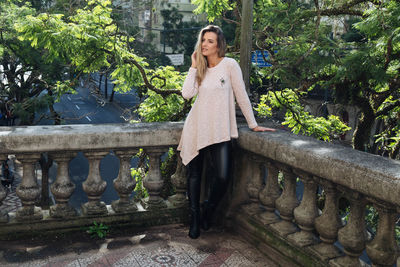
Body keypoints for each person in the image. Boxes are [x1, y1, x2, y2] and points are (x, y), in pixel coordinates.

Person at [177, 25, 275, 239]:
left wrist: (252, 124)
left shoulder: (230, 65)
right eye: (203, 40)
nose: (205, 44)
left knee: (222, 176)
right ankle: (194, 218)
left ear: (219, 44)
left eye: (210, 41)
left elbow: (241, 95)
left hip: (220, 129)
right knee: (194, 175)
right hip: (196, 127)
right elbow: (187, 95)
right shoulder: (200, 69)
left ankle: (208, 210)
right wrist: (193, 67)